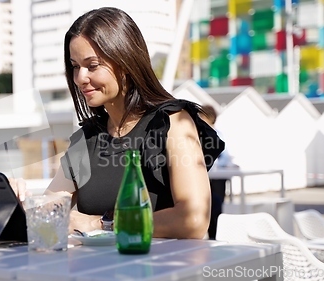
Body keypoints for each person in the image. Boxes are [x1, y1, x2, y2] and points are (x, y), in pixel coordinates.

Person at [13, 7, 224, 239]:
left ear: (125, 63)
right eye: (75, 66)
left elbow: (193, 220)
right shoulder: (87, 139)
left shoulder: (173, 122)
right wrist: (15, 202)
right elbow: (50, 212)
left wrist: (101, 224)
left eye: (92, 66)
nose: (80, 78)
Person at [199, 105, 237, 239]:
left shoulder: (218, 135)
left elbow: (225, 158)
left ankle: (214, 236)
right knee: (207, 208)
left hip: (217, 178)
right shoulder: (201, 135)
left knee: (216, 208)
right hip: (208, 177)